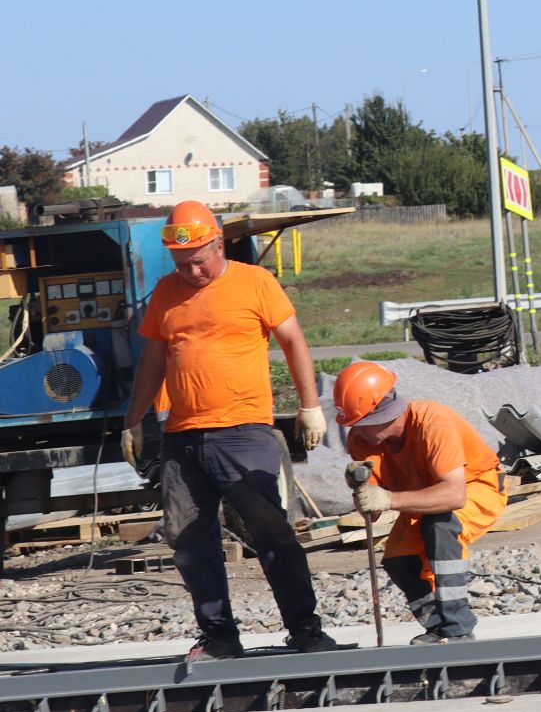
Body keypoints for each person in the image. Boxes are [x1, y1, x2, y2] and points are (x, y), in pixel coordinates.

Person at [121, 200, 336, 661]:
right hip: (183, 438)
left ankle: (304, 628)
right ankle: (219, 636)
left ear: (219, 244)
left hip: (244, 431)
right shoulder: (165, 292)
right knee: (188, 537)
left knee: (270, 529)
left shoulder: (255, 282)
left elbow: (294, 340)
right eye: (183, 263)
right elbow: (154, 360)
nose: (192, 270)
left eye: (199, 260)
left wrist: (311, 406)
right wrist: (135, 420)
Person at [334, 361, 505, 644]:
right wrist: (364, 494)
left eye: (362, 424)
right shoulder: (362, 441)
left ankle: (457, 628)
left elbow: (454, 495)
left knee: (439, 525)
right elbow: (374, 513)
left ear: (384, 411)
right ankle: (438, 628)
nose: (358, 432)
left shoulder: (432, 422)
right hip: (421, 496)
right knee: (398, 560)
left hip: (476, 486)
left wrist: (387, 498)